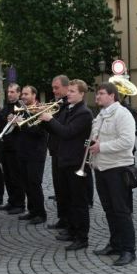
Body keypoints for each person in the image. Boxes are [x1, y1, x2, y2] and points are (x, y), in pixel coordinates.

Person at [40, 79, 93, 250]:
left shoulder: (84, 113)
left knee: (79, 202)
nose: (68, 93)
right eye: (68, 90)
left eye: (72, 91)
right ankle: (71, 230)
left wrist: (50, 120)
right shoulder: (69, 109)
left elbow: (67, 132)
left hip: (76, 162)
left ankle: (82, 237)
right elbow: (56, 130)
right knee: (68, 199)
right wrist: (44, 120)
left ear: (82, 94)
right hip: (65, 160)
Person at [89, 82, 137, 265]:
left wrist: (101, 146)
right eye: (98, 93)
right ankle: (115, 243)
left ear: (112, 96)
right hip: (101, 168)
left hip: (117, 168)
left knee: (121, 211)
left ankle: (129, 250)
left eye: (101, 94)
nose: (98, 97)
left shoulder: (122, 114)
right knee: (109, 210)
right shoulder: (100, 115)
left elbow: (127, 142)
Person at [16, 86, 48, 225]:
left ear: (34, 95)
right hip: (23, 151)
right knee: (26, 183)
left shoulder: (41, 109)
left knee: (35, 184)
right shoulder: (22, 110)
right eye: (22, 94)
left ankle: (41, 214)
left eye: (26, 94)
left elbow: (39, 132)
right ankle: (32, 211)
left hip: (36, 152)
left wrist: (21, 124)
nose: (23, 96)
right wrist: (13, 121)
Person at [0, 83, 26, 215]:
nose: (10, 94)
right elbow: (2, 123)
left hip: (16, 147)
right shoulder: (6, 106)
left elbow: (24, 125)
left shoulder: (21, 107)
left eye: (13, 92)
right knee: (7, 176)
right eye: (9, 92)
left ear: (19, 93)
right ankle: (11, 200)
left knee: (16, 176)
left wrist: (15, 121)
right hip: (5, 146)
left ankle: (19, 203)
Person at [46, 75, 69, 229]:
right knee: (59, 188)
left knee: (65, 190)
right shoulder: (58, 103)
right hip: (55, 150)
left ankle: (69, 222)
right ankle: (63, 219)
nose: (54, 91)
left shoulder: (67, 106)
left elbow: (63, 129)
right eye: (53, 88)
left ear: (66, 88)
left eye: (57, 88)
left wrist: (49, 119)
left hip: (65, 152)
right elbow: (51, 129)